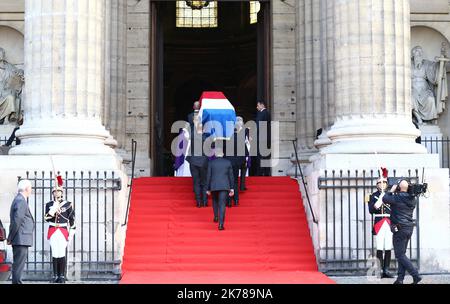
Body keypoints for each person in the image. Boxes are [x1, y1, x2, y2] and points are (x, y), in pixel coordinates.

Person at [382, 179, 422, 284]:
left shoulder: (397, 197)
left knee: (400, 255)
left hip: (400, 229)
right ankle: (400, 279)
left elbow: (385, 198)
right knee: (402, 254)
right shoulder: (413, 198)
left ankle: (415, 275)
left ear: (399, 188)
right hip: (408, 228)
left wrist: (392, 190)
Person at [44, 176, 76, 283]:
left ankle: (61, 276)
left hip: (63, 231)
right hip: (53, 230)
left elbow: (72, 220)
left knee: (61, 253)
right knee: (55, 253)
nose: (56, 193)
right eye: (54, 191)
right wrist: (53, 209)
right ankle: (55, 275)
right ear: (52, 193)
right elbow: (46, 218)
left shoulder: (68, 204)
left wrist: (71, 233)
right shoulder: (49, 204)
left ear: (62, 192)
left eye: (58, 191)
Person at [7, 179, 34, 284]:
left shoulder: (19, 199)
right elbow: (17, 220)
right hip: (20, 238)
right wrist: (10, 237)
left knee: (18, 265)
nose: (31, 190)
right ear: (27, 188)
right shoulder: (21, 200)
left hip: (20, 238)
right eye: (30, 188)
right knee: (18, 266)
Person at [411, 45, 447, 124]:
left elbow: (434, 70)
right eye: (417, 53)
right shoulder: (409, 65)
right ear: (413, 55)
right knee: (411, 98)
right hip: (413, 89)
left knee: (430, 99)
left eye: (421, 53)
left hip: (424, 89)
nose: (419, 55)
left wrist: (440, 63)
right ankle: (418, 118)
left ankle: (429, 121)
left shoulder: (426, 64)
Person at [367, 173, 394, 279]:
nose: (382, 184)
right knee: (379, 247)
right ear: (377, 184)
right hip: (379, 222)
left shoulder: (391, 195)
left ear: (387, 184)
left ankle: (386, 270)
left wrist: (386, 196)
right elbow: (371, 210)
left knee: (388, 246)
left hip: (389, 222)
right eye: (380, 183)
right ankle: (379, 271)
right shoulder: (373, 196)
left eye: (384, 183)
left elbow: (395, 208)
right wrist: (380, 199)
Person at [206, 146, 234, 230]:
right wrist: (232, 188)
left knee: (214, 201)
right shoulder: (228, 162)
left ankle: (215, 217)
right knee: (222, 204)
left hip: (214, 186)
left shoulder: (211, 163)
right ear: (223, 154)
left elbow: (208, 176)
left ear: (215, 154)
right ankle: (221, 224)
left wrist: (207, 188)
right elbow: (231, 176)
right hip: (224, 186)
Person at [225, 117, 248, 207]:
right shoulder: (240, 138)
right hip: (237, 163)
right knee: (235, 181)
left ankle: (229, 201)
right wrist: (242, 162)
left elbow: (223, 150)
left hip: (228, 162)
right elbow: (245, 152)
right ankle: (236, 200)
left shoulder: (227, 138)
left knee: (228, 181)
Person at [185, 120, 209, 208]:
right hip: (203, 162)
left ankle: (198, 202)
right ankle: (205, 201)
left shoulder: (193, 135)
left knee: (196, 182)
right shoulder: (206, 137)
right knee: (204, 182)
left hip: (193, 161)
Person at [254, 101, 271, 176]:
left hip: (261, 138)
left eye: (258, 105)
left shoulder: (262, 113)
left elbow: (258, 125)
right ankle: (266, 173)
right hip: (266, 138)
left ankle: (260, 173)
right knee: (266, 156)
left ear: (262, 105)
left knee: (260, 156)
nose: (257, 107)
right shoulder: (267, 113)